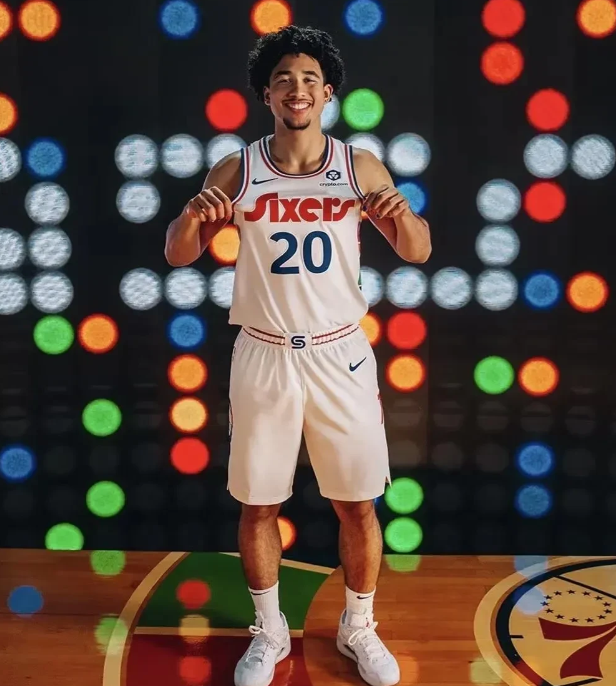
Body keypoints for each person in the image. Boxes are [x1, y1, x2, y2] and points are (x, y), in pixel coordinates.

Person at [165, 24, 431, 686]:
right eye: (283, 78)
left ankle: (358, 626)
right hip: (265, 351)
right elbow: (177, 253)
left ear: (328, 92)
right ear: (266, 94)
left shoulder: (358, 167)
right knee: (258, 504)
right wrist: (192, 218)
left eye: (310, 78)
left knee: (358, 502)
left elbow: (418, 249)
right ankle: (270, 630)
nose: (297, 88)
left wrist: (401, 214)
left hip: (340, 352)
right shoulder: (238, 169)